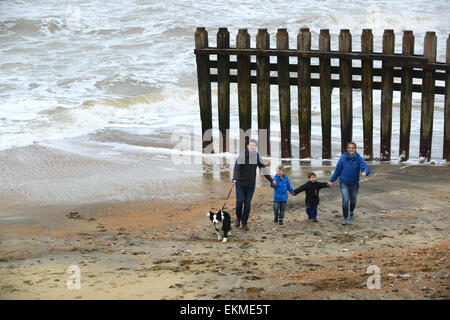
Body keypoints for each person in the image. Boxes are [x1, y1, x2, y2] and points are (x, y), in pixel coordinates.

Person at [232, 139, 276, 231]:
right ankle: (238, 219)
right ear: (247, 146)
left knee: (247, 204)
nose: (252, 147)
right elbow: (236, 168)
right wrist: (234, 178)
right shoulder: (242, 156)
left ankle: (244, 223)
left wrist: (271, 180)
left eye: (254, 145)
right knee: (240, 201)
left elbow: (263, 169)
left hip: (250, 184)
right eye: (251, 145)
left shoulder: (256, 156)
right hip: (240, 183)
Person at [329, 141, 370, 225]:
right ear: (347, 149)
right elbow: (337, 170)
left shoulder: (359, 158)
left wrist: (365, 172)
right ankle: (345, 217)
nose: (351, 149)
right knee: (345, 200)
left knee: (353, 201)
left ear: (355, 149)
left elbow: (365, 168)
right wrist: (332, 180)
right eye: (349, 148)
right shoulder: (343, 158)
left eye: (352, 148)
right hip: (344, 183)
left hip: (354, 184)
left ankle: (351, 212)